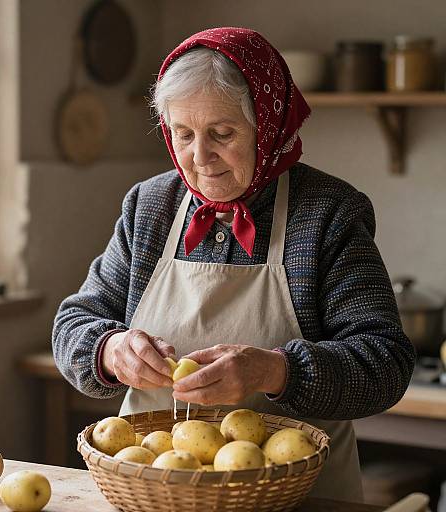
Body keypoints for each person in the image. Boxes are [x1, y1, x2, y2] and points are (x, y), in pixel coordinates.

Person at [52, 27, 414, 502]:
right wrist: (110, 350)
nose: (199, 159)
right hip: (156, 492)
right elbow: (72, 324)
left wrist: (276, 371)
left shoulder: (328, 213)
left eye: (222, 134)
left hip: (297, 496)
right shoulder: (151, 206)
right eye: (182, 134)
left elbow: (386, 363)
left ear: (267, 125)